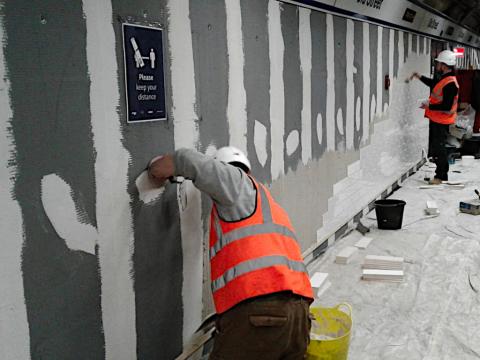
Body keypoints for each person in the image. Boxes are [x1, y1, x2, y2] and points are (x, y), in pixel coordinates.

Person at [148, 147, 314, 360]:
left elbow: (187, 159)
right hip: (298, 314)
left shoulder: (237, 184)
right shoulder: (269, 205)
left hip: (260, 310)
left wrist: (156, 169)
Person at [410, 49, 459, 184]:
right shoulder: (445, 79)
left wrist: (429, 106)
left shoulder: (450, 84)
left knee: (439, 149)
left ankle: (441, 176)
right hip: (438, 119)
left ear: (444, 65)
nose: (436, 65)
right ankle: (441, 174)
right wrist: (419, 77)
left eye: (438, 63)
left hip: (442, 120)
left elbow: (447, 106)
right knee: (438, 147)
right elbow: (434, 85)